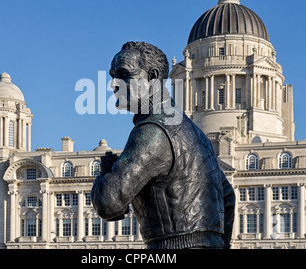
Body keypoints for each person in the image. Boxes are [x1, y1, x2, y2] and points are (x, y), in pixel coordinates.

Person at [91, 41, 235, 249]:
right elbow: (227, 198)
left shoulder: (153, 131)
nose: (114, 83)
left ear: (152, 77)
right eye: (112, 75)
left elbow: (109, 204)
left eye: (123, 74)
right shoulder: (196, 134)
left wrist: (104, 175)